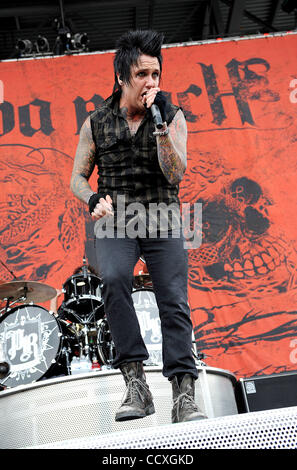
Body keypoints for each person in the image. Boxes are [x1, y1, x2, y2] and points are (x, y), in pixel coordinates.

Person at [70, 30, 206, 424]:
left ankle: (184, 394)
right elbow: (77, 177)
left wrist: (160, 122)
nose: (151, 82)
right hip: (117, 217)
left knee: (174, 299)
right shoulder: (96, 122)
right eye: (143, 73)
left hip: (162, 213)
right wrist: (92, 198)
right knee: (112, 280)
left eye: (156, 73)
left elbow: (176, 171)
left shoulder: (172, 114)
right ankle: (136, 385)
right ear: (122, 77)